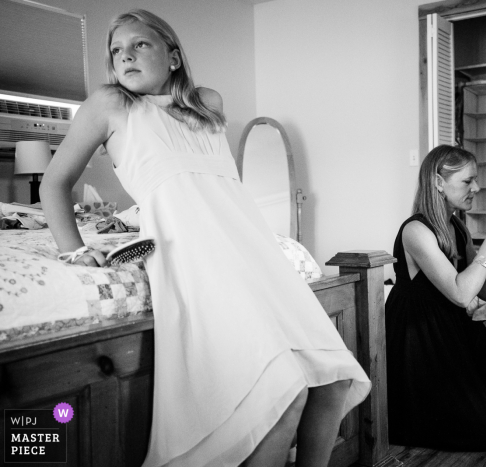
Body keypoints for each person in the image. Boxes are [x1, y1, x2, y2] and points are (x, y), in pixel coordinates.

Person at [40, 9, 370, 467]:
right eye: (116, 50)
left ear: (173, 57)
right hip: (195, 257)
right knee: (286, 391)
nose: (124, 56)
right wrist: (75, 250)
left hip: (253, 249)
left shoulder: (208, 102)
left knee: (332, 381)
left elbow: (209, 187)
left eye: (140, 45)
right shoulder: (109, 105)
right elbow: (53, 183)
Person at [386, 144, 486, 451]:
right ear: (438, 182)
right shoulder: (415, 231)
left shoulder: (457, 227)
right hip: (419, 334)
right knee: (480, 432)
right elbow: (462, 293)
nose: (476, 187)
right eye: (467, 181)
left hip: (451, 328)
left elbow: (482, 290)